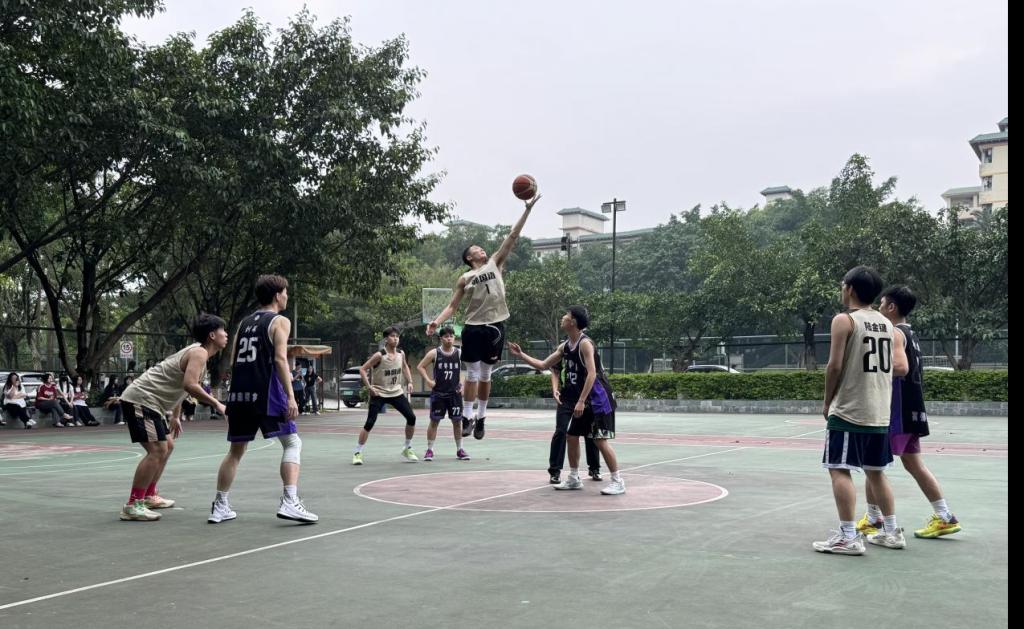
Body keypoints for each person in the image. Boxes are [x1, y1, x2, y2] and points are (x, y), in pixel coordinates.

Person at [426, 193, 542, 440]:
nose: (482, 249)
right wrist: (437, 321)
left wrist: (527, 210)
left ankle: (481, 418)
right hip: (473, 326)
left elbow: (512, 236)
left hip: (495, 326)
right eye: (477, 249)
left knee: (486, 375)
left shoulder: (495, 263)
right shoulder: (465, 278)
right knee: (472, 375)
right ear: (470, 257)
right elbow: (452, 306)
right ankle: (467, 417)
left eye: (482, 248)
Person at [813, 266, 909, 555]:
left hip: (850, 409)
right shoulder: (887, 324)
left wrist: (827, 401)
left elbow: (834, 366)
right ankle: (892, 531)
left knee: (839, 469)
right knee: (876, 472)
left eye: (843, 285)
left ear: (850, 289)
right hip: (879, 410)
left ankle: (848, 536)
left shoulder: (844, 320)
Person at [856, 285, 962, 540]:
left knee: (873, 464)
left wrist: (869, 369)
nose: (879, 308)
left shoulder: (893, 332)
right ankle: (944, 516)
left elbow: (900, 368)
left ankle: (875, 518)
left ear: (891, 307)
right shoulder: (910, 333)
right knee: (912, 464)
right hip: (911, 409)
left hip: (896, 412)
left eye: (882, 304)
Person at [209, 274, 318, 524]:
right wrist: (291, 396)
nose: (287, 296)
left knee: (235, 451)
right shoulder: (280, 321)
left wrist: (235, 395)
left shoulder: (244, 323)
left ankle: (219, 505)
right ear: (277, 295)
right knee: (292, 443)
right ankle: (290, 501)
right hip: (267, 393)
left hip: (240, 394)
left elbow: (234, 360)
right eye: (285, 292)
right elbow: (280, 359)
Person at [117, 313, 230, 521]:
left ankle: (149, 495)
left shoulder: (198, 353)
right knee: (157, 450)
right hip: (141, 399)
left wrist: (176, 417)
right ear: (212, 335)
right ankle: (133, 504)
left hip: (152, 403)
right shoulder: (199, 353)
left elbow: (181, 387)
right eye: (223, 330)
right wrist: (217, 403)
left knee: (167, 446)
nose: (226, 334)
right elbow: (190, 385)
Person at [509, 305, 624, 495]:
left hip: (598, 399)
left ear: (573, 322)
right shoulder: (565, 346)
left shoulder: (585, 344)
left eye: (566, 315)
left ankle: (617, 481)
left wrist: (581, 401)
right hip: (583, 399)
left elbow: (592, 374)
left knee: (599, 440)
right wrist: (521, 355)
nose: (563, 317)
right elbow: (544, 365)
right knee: (571, 436)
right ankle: (574, 478)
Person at [352, 327, 418, 465]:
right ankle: (357, 452)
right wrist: (369, 387)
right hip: (379, 393)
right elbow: (362, 369)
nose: (396, 338)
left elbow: (404, 366)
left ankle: (407, 448)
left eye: (397, 336)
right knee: (370, 422)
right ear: (386, 339)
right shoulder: (379, 355)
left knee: (411, 417)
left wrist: (410, 381)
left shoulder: (401, 353)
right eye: (393, 336)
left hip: (396, 392)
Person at [416, 326, 470, 461]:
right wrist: (428, 380)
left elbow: (470, 369)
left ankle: (460, 449)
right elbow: (420, 366)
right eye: (446, 336)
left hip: (454, 394)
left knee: (457, 422)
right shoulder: (434, 353)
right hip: (438, 393)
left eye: (451, 336)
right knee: (434, 421)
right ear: (441, 338)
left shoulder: (459, 353)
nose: (449, 338)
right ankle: (429, 450)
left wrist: (462, 384)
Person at [546, 362, 602, 484]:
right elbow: (555, 371)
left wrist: (583, 400)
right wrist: (555, 389)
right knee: (561, 431)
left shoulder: (586, 353)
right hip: (566, 399)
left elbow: (593, 373)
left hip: (585, 398)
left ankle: (594, 468)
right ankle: (555, 471)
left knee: (590, 432)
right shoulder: (563, 352)